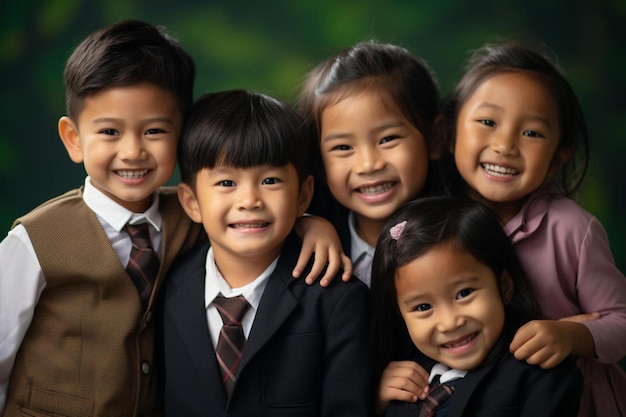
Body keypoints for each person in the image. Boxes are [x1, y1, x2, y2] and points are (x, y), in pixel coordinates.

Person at [0, 20, 349, 416]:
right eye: (110, 132)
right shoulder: (36, 240)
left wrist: (308, 221)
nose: (132, 152)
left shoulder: (193, 213)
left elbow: (253, 218)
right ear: (74, 139)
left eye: (153, 131)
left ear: (181, 136)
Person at [437, 40, 626, 416]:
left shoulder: (573, 229)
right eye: (488, 123)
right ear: (449, 133)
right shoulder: (437, 226)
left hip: (575, 401)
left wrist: (573, 336)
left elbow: (622, 319)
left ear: (558, 158)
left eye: (533, 133)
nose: (505, 145)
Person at [159, 89, 371, 416]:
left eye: (270, 180)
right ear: (191, 203)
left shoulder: (337, 299)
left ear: (303, 196)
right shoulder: (171, 286)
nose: (250, 200)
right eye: (227, 183)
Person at [372, 196, 583, 416]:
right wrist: (376, 403)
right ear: (399, 313)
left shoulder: (539, 376)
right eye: (423, 307)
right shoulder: (400, 388)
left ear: (505, 287)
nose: (449, 323)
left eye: (464, 293)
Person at [298, 40, 440, 288]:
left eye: (388, 139)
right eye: (343, 148)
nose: (368, 164)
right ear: (319, 160)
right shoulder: (308, 247)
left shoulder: (463, 235)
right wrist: (304, 223)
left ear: (435, 138)